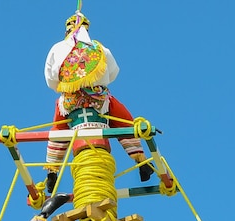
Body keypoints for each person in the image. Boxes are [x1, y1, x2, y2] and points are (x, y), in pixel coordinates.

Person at [42, 10, 153, 193]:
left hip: (69, 101)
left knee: (58, 130)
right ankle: (141, 161)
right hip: (99, 98)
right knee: (123, 121)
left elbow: (50, 76)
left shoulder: (57, 48)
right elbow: (112, 71)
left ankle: (52, 171)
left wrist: (67, 86)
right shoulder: (99, 48)